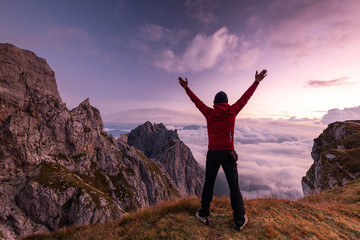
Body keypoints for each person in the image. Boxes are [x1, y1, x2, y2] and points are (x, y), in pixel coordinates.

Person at [178, 69, 267, 231]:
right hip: (228, 154)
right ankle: (240, 219)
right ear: (226, 102)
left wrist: (186, 88)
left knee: (208, 184)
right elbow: (245, 98)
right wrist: (256, 82)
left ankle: (204, 213)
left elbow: (196, 101)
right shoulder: (232, 111)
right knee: (234, 186)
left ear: (214, 103)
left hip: (212, 154)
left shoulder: (209, 113)